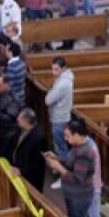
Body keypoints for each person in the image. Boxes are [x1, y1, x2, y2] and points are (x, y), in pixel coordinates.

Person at [46, 120, 104, 217]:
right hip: (73, 194)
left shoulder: (86, 152)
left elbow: (77, 178)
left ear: (77, 135)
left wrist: (58, 167)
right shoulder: (78, 145)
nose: (65, 139)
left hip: (79, 196)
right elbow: (71, 161)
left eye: (68, 136)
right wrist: (57, 157)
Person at [44, 57, 74, 187]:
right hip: (60, 117)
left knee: (61, 149)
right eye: (52, 68)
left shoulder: (63, 83)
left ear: (63, 69)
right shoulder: (65, 78)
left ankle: (64, 176)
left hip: (59, 119)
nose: (53, 71)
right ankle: (59, 167)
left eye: (56, 69)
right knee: (59, 146)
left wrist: (50, 92)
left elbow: (48, 100)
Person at [6, 108, 48, 190]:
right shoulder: (22, 128)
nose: (17, 119)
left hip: (30, 178)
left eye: (20, 118)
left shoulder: (39, 138)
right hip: (18, 170)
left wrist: (21, 170)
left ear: (26, 121)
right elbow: (11, 143)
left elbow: (37, 164)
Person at [2, 41, 27, 108]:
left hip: (14, 100)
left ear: (10, 53)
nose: (5, 52)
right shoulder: (22, 63)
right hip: (21, 95)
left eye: (6, 50)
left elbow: (9, 86)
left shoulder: (11, 67)